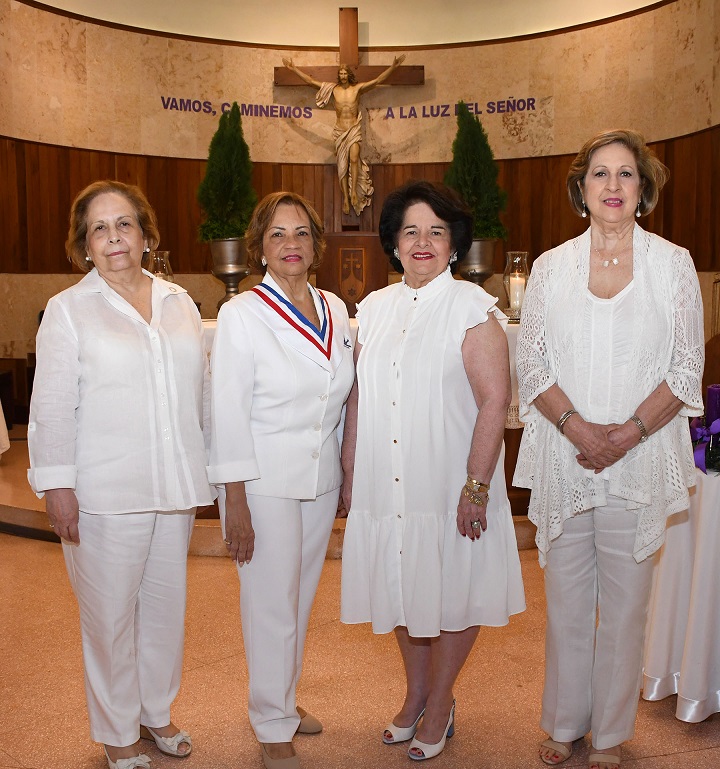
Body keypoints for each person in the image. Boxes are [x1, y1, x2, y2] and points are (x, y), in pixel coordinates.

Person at [513, 130, 704, 769]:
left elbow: (685, 368)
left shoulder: (673, 264)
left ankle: (612, 735)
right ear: (581, 189)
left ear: (643, 189)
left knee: (625, 609)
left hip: (639, 459)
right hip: (566, 457)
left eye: (626, 173)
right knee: (567, 604)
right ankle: (565, 725)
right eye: (600, 173)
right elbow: (531, 364)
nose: (613, 185)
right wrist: (579, 430)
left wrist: (625, 436)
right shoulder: (550, 267)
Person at [27, 181, 214, 769]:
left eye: (124, 224)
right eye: (99, 229)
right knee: (109, 619)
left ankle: (154, 711)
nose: (114, 238)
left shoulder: (179, 302)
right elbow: (51, 407)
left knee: (163, 612)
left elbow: (201, 394)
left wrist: (211, 468)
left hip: (172, 488)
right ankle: (116, 730)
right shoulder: (68, 310)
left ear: (145, 234)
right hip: (103, 493)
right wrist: (58, 486)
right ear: (84, 244)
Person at [340, 180, 525, 761]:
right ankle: (416, 691)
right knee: (402, 584)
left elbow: (495, 401)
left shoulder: (473, 308)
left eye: (436, 232)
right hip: (386, 477)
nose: (423, 242)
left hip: (449, 479)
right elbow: (359, 397)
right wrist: (350, 471)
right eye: (411, 231)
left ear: (454, 244)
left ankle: (441, 701)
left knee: (454, 589)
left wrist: (476, 486)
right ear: (394, 243)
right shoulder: (373, 308)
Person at [207, 192, 355, 769]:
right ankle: (270, 721)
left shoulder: (335, 308)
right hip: (261, 480)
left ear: (316, 244)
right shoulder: (242, 314)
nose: (291, 244)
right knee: (270, 603)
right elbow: (227, 410)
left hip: (318, 477)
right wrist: (235, 500)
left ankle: (285, 703)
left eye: (301, 233)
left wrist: (345, 470)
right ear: (259, 247)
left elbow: (341, 397)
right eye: (277, 234)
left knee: (299, 598)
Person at [282, 55, 406, 216]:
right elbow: (310, 82)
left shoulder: (357, 89)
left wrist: (393, 67)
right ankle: (346, 198)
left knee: (354, 158)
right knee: (342, 166)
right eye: (340, 73)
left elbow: (377, 81)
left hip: (354, 129)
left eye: (345, 73)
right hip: (340, 131)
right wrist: (293, 69)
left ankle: (353, 191)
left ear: (349, 74)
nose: (342, 75)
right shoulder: (333, 90)